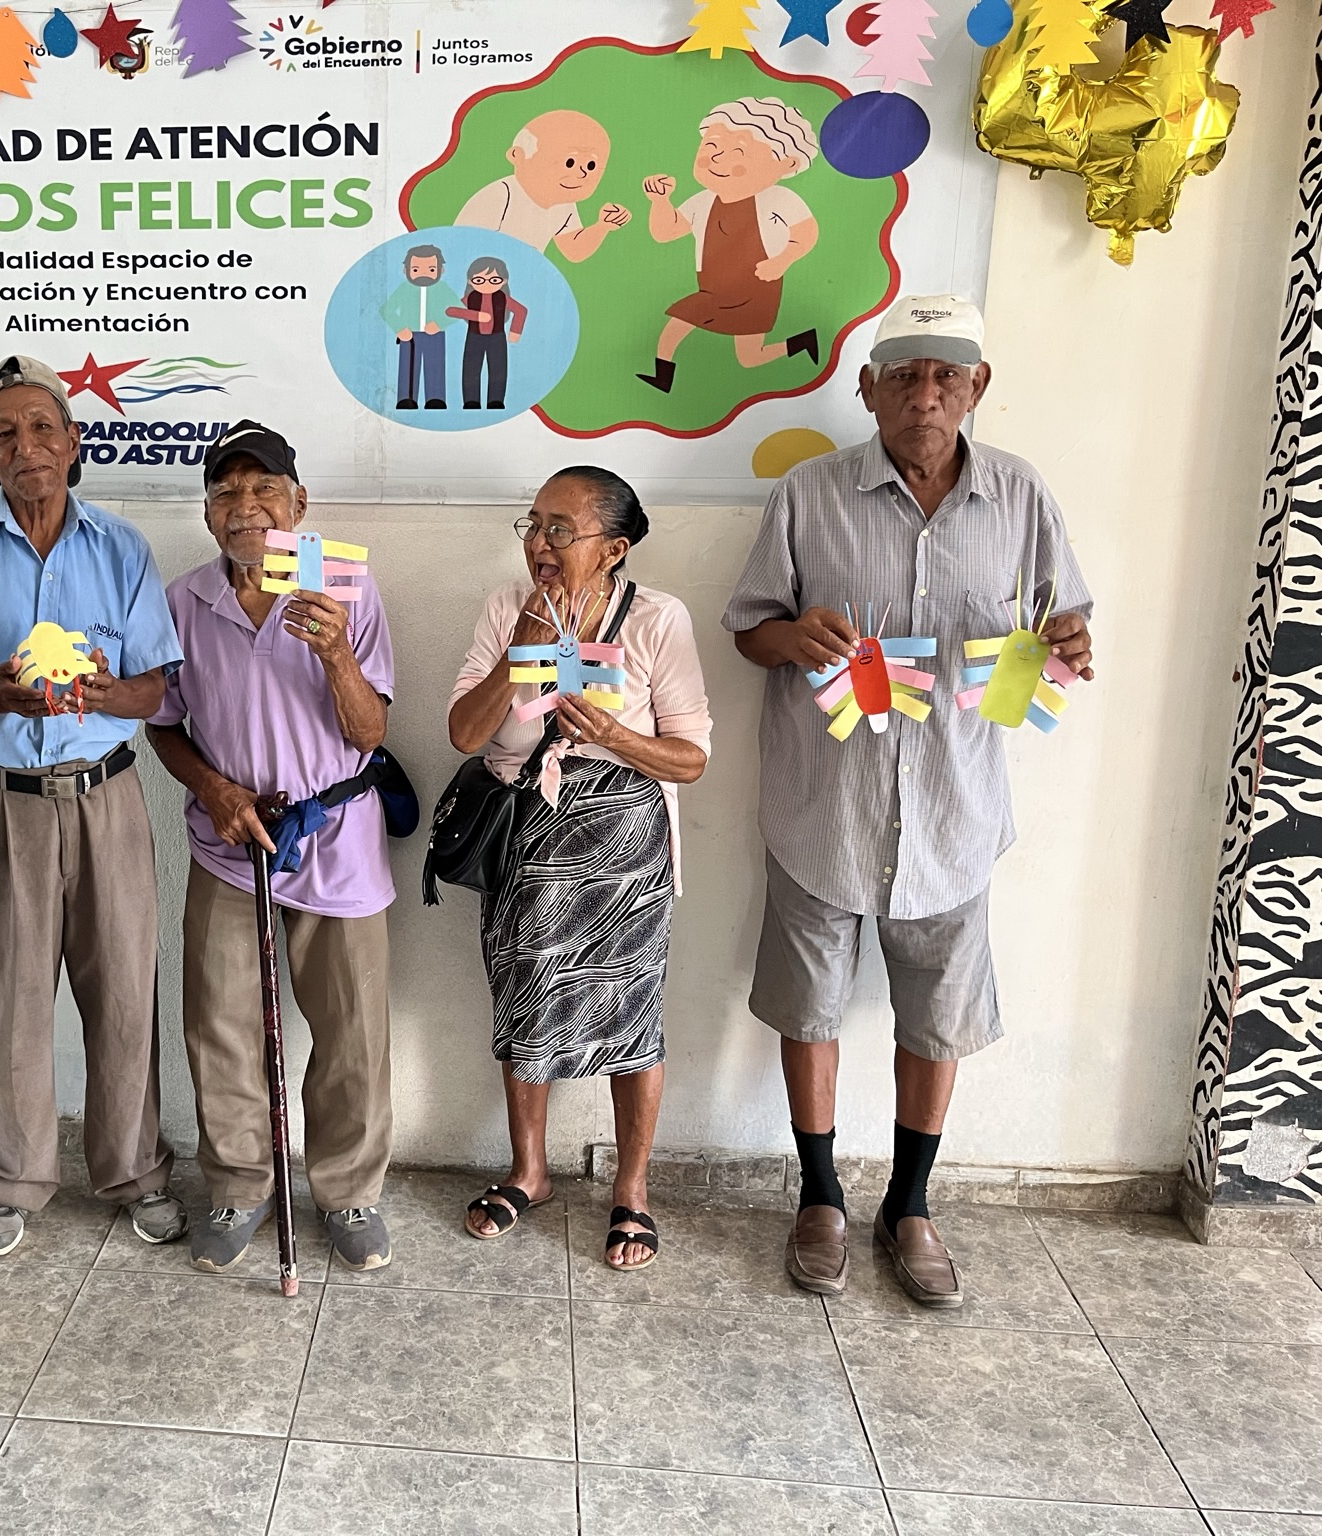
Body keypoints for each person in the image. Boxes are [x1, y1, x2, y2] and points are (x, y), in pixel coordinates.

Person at [721, 295, 1096, 1308]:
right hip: (822, 808)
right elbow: (749, 628)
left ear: (977, 388)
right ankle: (818, 1198)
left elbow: (1065, 622)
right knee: (808, 1007)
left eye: (944, 376)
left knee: (938, 1018)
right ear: (866, 390)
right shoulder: (807, 494)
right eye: (902, 376)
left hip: (953, 815)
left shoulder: (1022, 498)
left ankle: (910, 1206)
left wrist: (1069, 643)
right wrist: (790, 636)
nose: (923, 396)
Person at [0, 356, 188, 1260]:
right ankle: (13, 1177)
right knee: (6, 1001)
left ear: (74, 441)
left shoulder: (121, 548)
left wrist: (101, 691)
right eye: (5, 434)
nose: (27, 447)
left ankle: (136, 1171)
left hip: (107, 799)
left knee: (125, 994)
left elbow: (154, 693)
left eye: (43, 428)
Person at [147, 422, 398, 1274]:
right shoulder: (184, 601)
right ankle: (239, 1185)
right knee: (221, 1027)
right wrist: (214, 791)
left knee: (352, 1029)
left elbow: (369, 732)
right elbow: (164, 725)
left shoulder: (347, 587)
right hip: (229, 843)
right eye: (226, 493)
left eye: (264, 490)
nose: (245, 506)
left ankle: (349, 1190)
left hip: (337, 837)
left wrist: (335, 653)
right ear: (208, 514)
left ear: (300, 504)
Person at [450, 468, 711, 1270]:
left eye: (559, 530)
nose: (539, 542)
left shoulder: (658, 618)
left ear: (614, 549)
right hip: (525, 835)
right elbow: (464, 733)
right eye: (532, 525)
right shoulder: (506, 607)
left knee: (632, 1017)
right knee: (524, 998)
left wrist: (615, 735)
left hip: (625, 849)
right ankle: (529, 1172)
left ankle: (631, 1190)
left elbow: (691, 757)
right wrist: (518, 654)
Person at [637, 98, 822, 395]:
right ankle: (663, 376)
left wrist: (782, 260)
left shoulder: (780, 200)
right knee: (677, 322)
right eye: (711, 147)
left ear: (787, 163)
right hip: (712, 288)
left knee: (749, 358)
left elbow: (806, 233)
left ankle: (800, 343)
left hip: (757, 288)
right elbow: (665, 231)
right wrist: (660, 201)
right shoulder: (703, 201)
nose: (717, 159)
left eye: (738, 152)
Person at [457, 110, 632, 262]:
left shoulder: (563, 204)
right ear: (518, 156)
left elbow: (573, 250)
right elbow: (464, 246)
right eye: (570, 162)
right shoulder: (501, 195)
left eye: (590, 165)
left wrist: (602, 227)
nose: (581, 174)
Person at [381, 245, 459, 411]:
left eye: (431, 269)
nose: (424, 274)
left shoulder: (443, 289)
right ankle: (406, 398)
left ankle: (436, 398)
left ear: (441, 270)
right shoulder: (404, 289)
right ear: (406, 270)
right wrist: (399, 328)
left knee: (435, 366)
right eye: (416, 269)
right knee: (408, 367)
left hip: (435, 335)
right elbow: (386, 310)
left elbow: (457, 311)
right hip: (409, 335)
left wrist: (439, 323)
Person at [445, 255, 528, 411]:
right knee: (471, 369)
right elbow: (451, 310)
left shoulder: (503, 297)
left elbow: (521, 311)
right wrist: (476, 316)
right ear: (470, 281)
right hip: (474, 337)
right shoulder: (471, 297)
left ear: (504, 281)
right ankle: (471, 400)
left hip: (497, 337)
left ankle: (496, 400)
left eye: (494, 280)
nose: (487, 284)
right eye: (479, 280)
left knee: (498, 369)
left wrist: (515, 331)